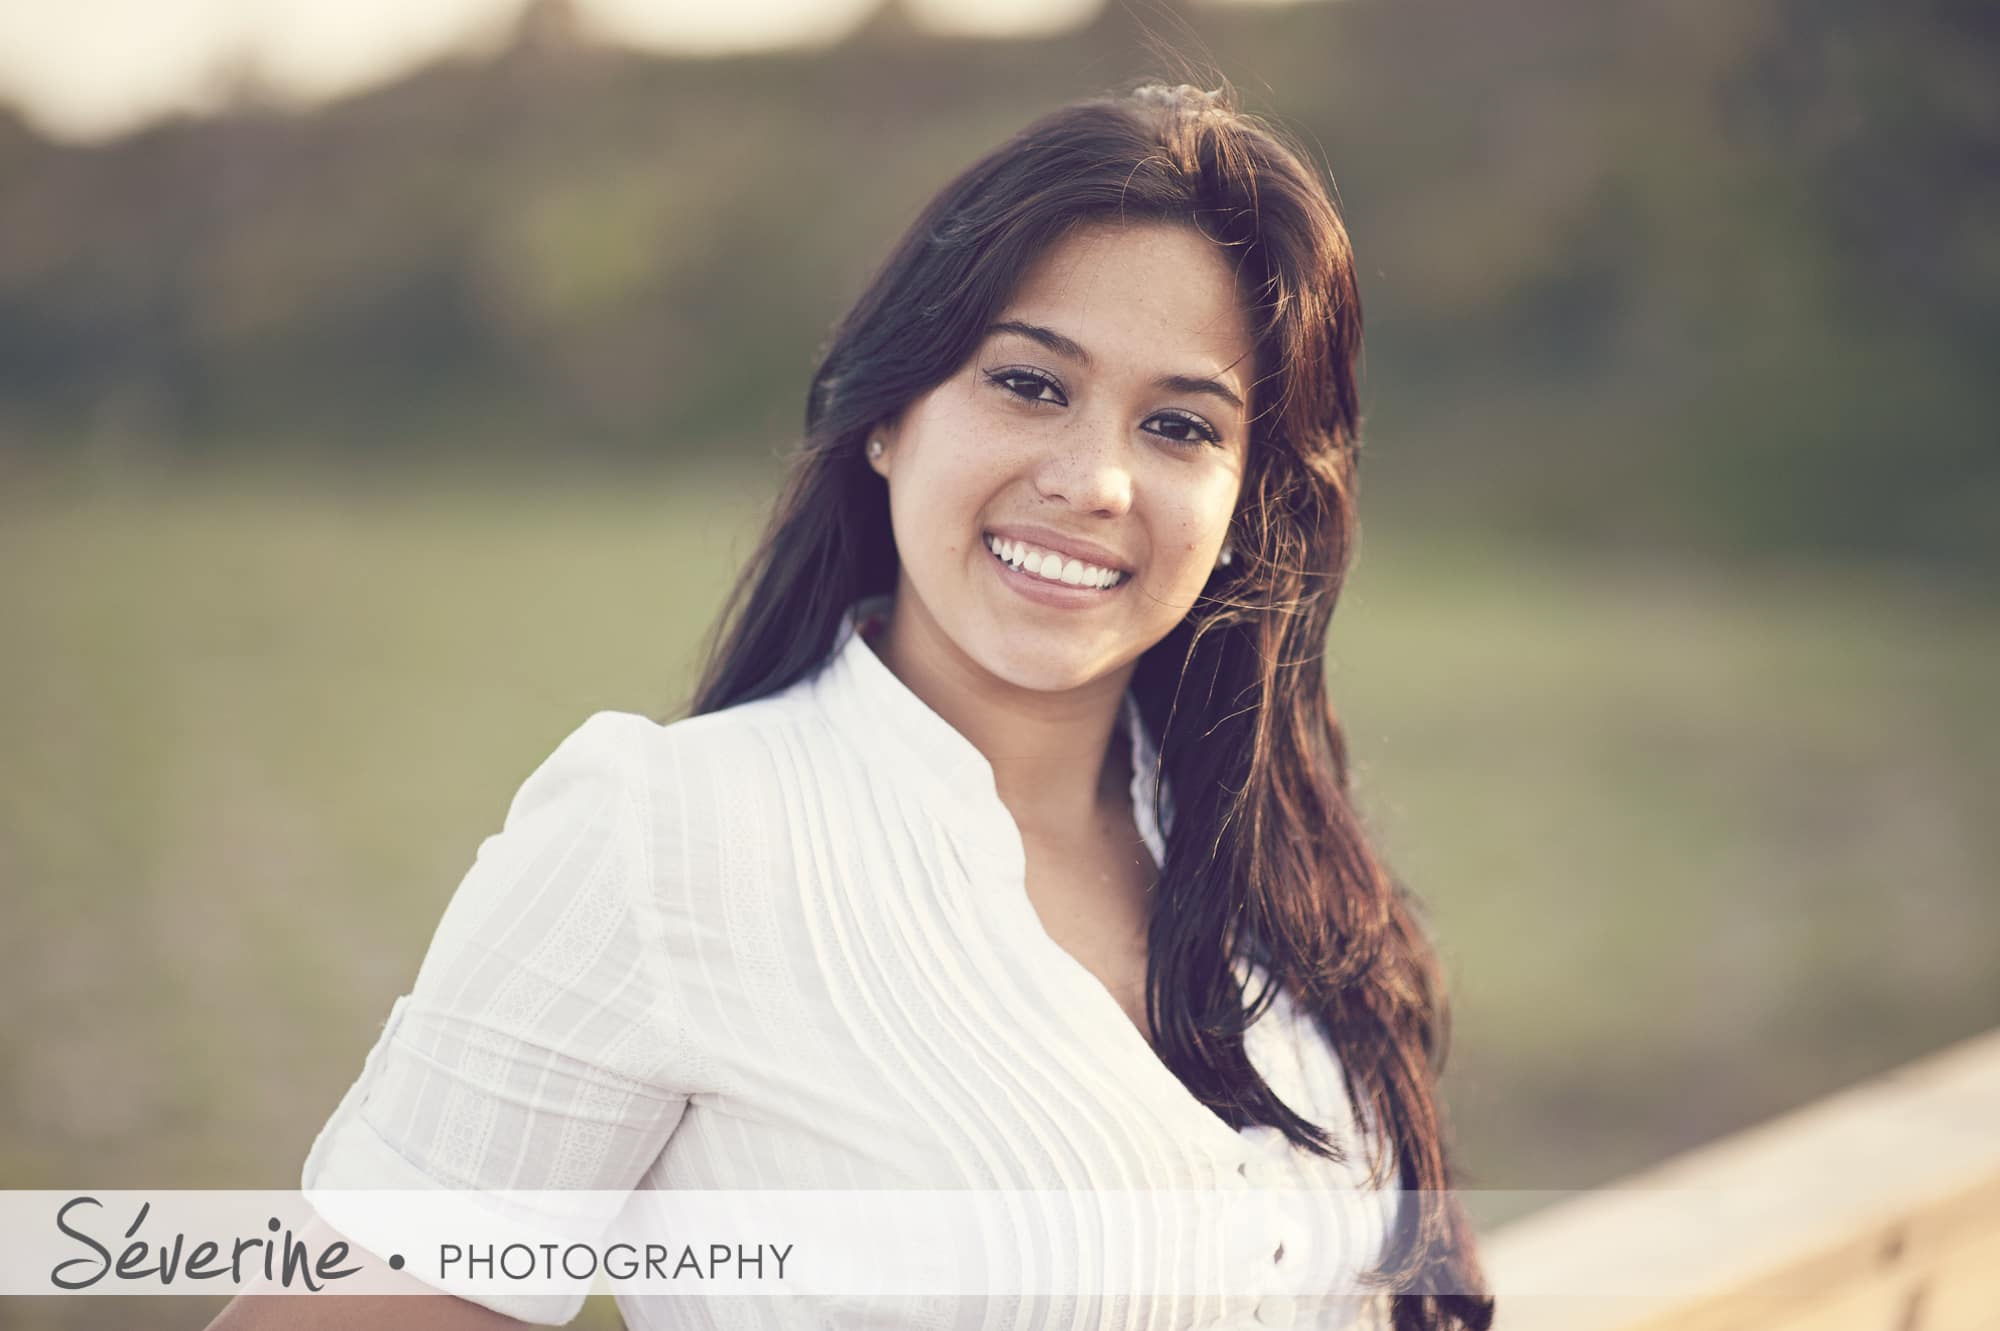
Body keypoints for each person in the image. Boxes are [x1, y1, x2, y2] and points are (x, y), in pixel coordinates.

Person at [208, 76, 1494, 1331]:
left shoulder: (1288, 872)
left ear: (1246, 503)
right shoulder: (664, 840)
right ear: (886, 414)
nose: (1094, 481)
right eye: (1028, 383)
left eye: (1179, 426)